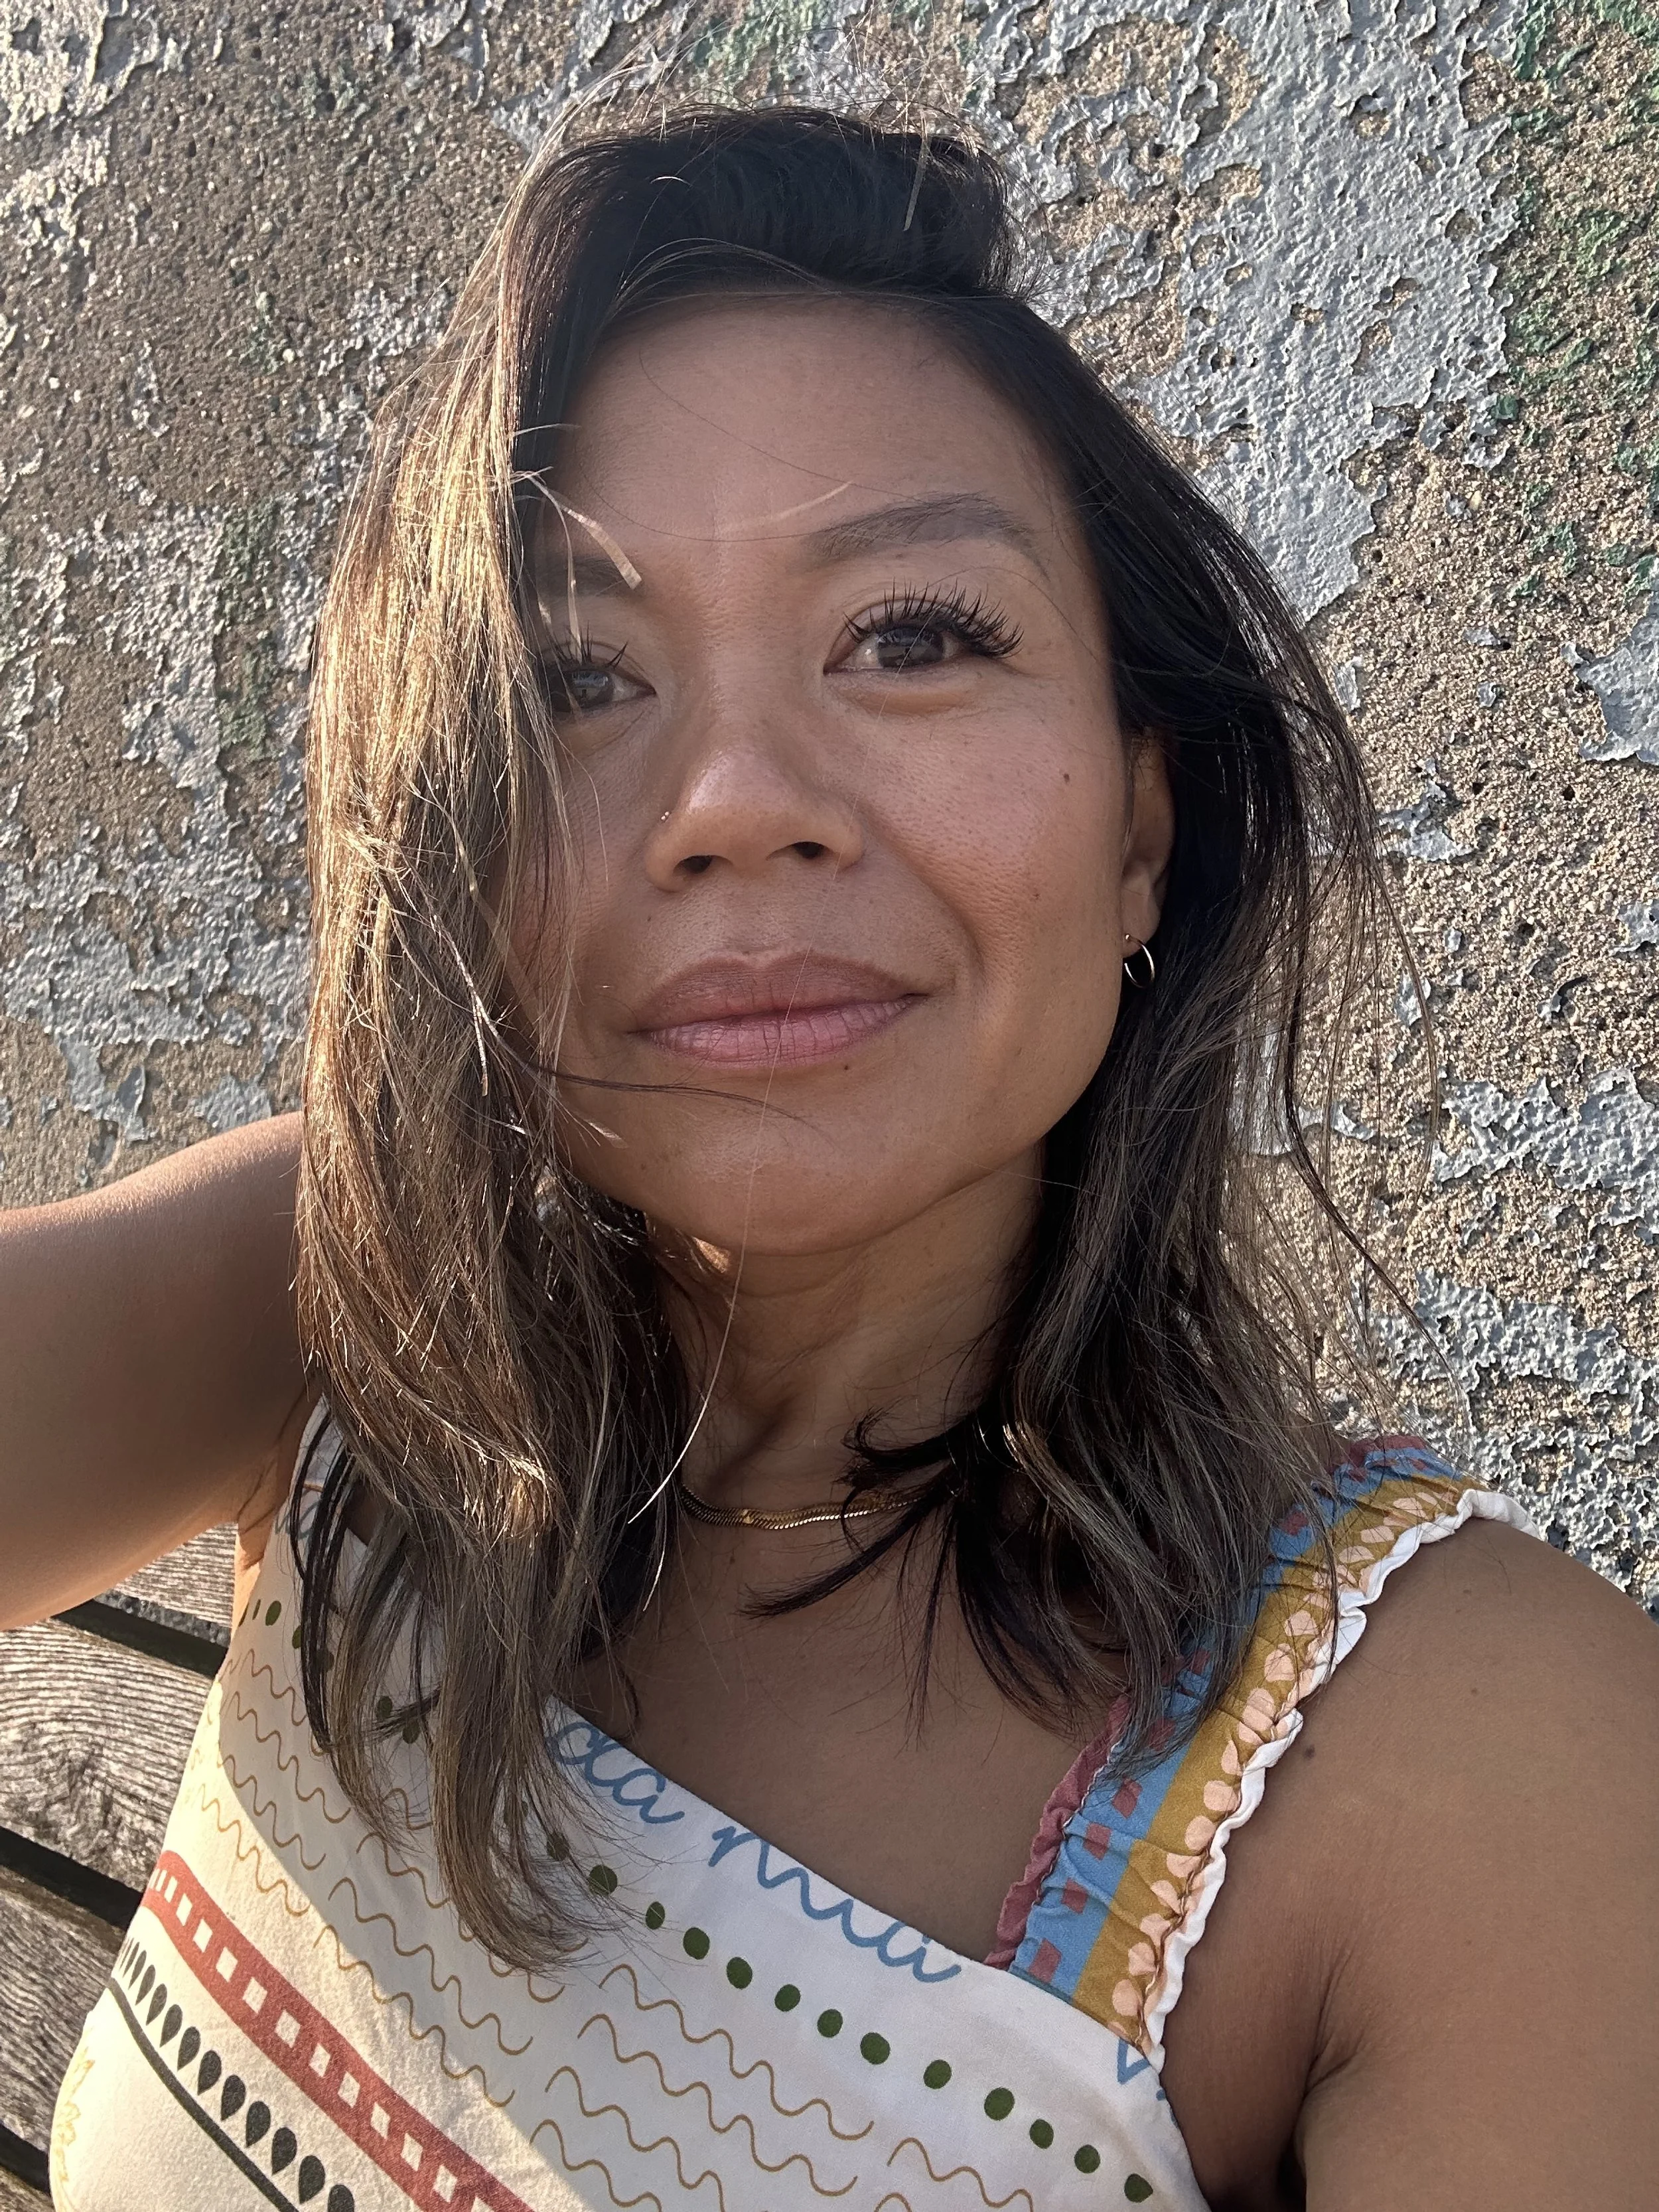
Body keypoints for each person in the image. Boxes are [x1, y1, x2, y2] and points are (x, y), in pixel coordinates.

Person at [3, 104, 1655, 2212]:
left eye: (911, 634)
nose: (735, 798)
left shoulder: (1487, 1766)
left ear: (1142, 825)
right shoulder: (346, 1311)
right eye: (573, 675)